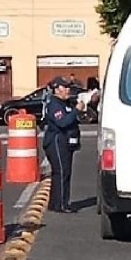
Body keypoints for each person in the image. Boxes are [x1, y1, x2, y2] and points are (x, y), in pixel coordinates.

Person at [43, 77, 85, 213]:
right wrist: (76, 111)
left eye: (68, 87)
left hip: (67, 142)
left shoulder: (66, 103)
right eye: (64, 87)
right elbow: (62, 122)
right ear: (56, 89)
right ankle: (61, 204)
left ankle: (56, 203)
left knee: (63, 172)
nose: (67, 90)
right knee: (62, 172)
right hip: (57, 141)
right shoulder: (55, 104)